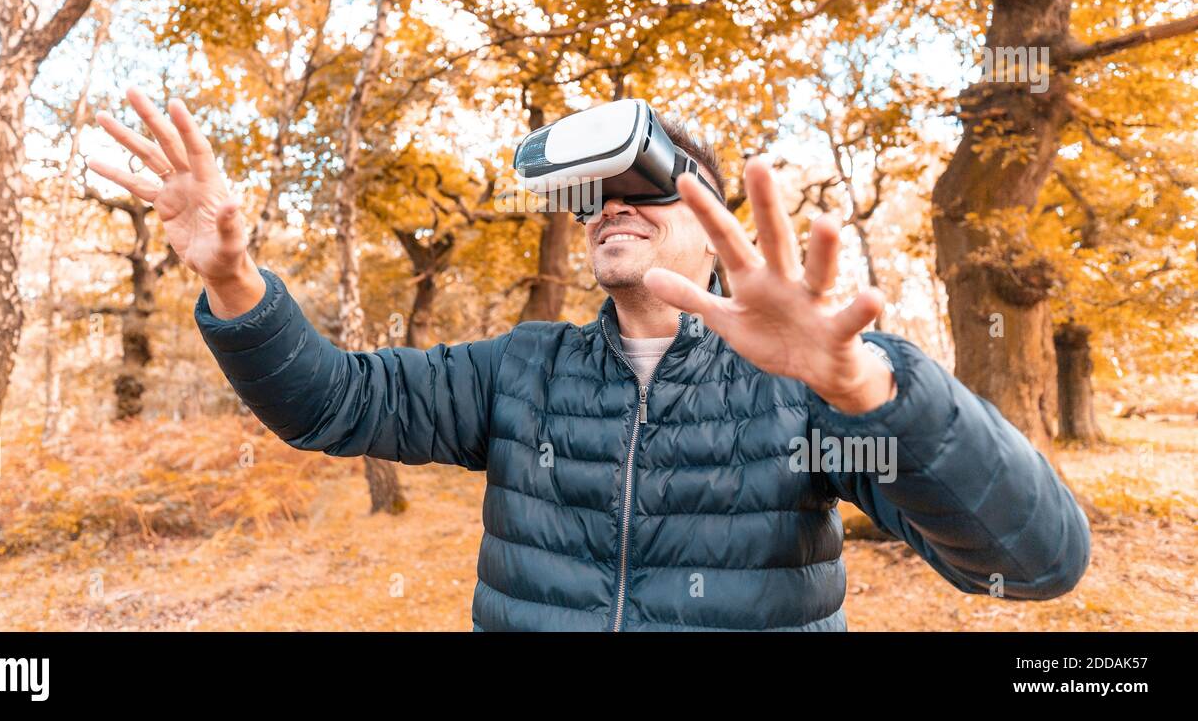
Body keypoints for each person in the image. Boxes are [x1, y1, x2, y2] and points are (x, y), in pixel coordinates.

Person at [88, 85, 1092, 631]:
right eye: (594, 189)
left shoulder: (813, 387)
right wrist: (234, 281)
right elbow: (331, 402)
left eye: (647, 183)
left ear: (712, 225)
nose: (613, 200)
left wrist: (864, 386)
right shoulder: (519, 371)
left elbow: (1036, 565)